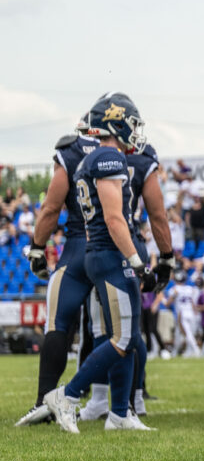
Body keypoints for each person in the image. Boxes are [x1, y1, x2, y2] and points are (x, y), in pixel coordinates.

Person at [43, 93, 156, 433]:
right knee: (122, 338)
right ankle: (67, 394)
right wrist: (136, 261)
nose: (135, 131)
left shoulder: (93, 158)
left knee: (127, 336)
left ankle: (119, 413)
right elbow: (114, 218)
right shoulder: (109, 157)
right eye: (131, 124)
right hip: (110, 253)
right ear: (116, 123)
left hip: (102, 252)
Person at [16, 121, 100, 427]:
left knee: (58, 324)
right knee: (114, 331)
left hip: (78, 248)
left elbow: (51, 208)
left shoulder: (70, 152)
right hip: (111, 248)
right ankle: (122, 404)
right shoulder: (121, 152)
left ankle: (44, 400)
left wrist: (38, 248)